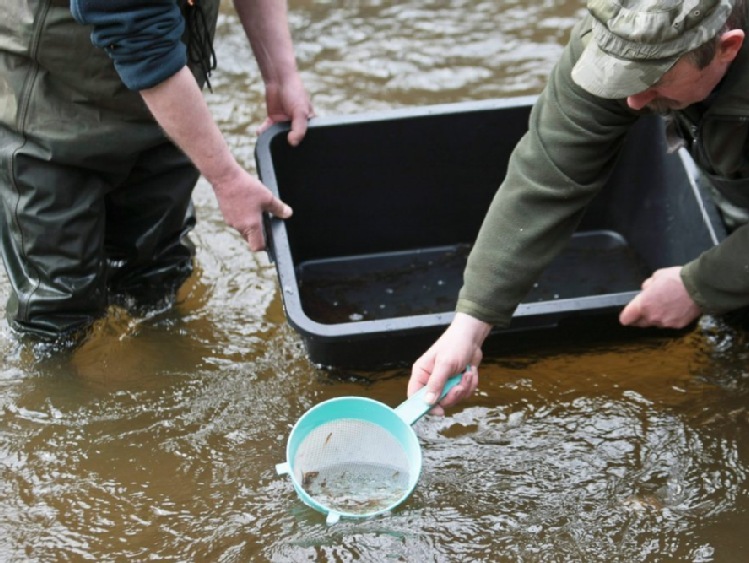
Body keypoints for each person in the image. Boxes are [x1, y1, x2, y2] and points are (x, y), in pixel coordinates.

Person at [408, 0, 749, 411]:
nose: (634, 102)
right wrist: (469, 327)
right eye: (620, 78)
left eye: (654, 80)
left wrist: (699, 285)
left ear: (728, 47)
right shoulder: (624, 31)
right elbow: (549, 173)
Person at [0, 0, 313, 344]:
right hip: (49, 113)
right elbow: (139, 35)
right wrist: (226, 178)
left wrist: (281, 77)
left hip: (167, 104)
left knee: (157, 277)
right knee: (57, 305)